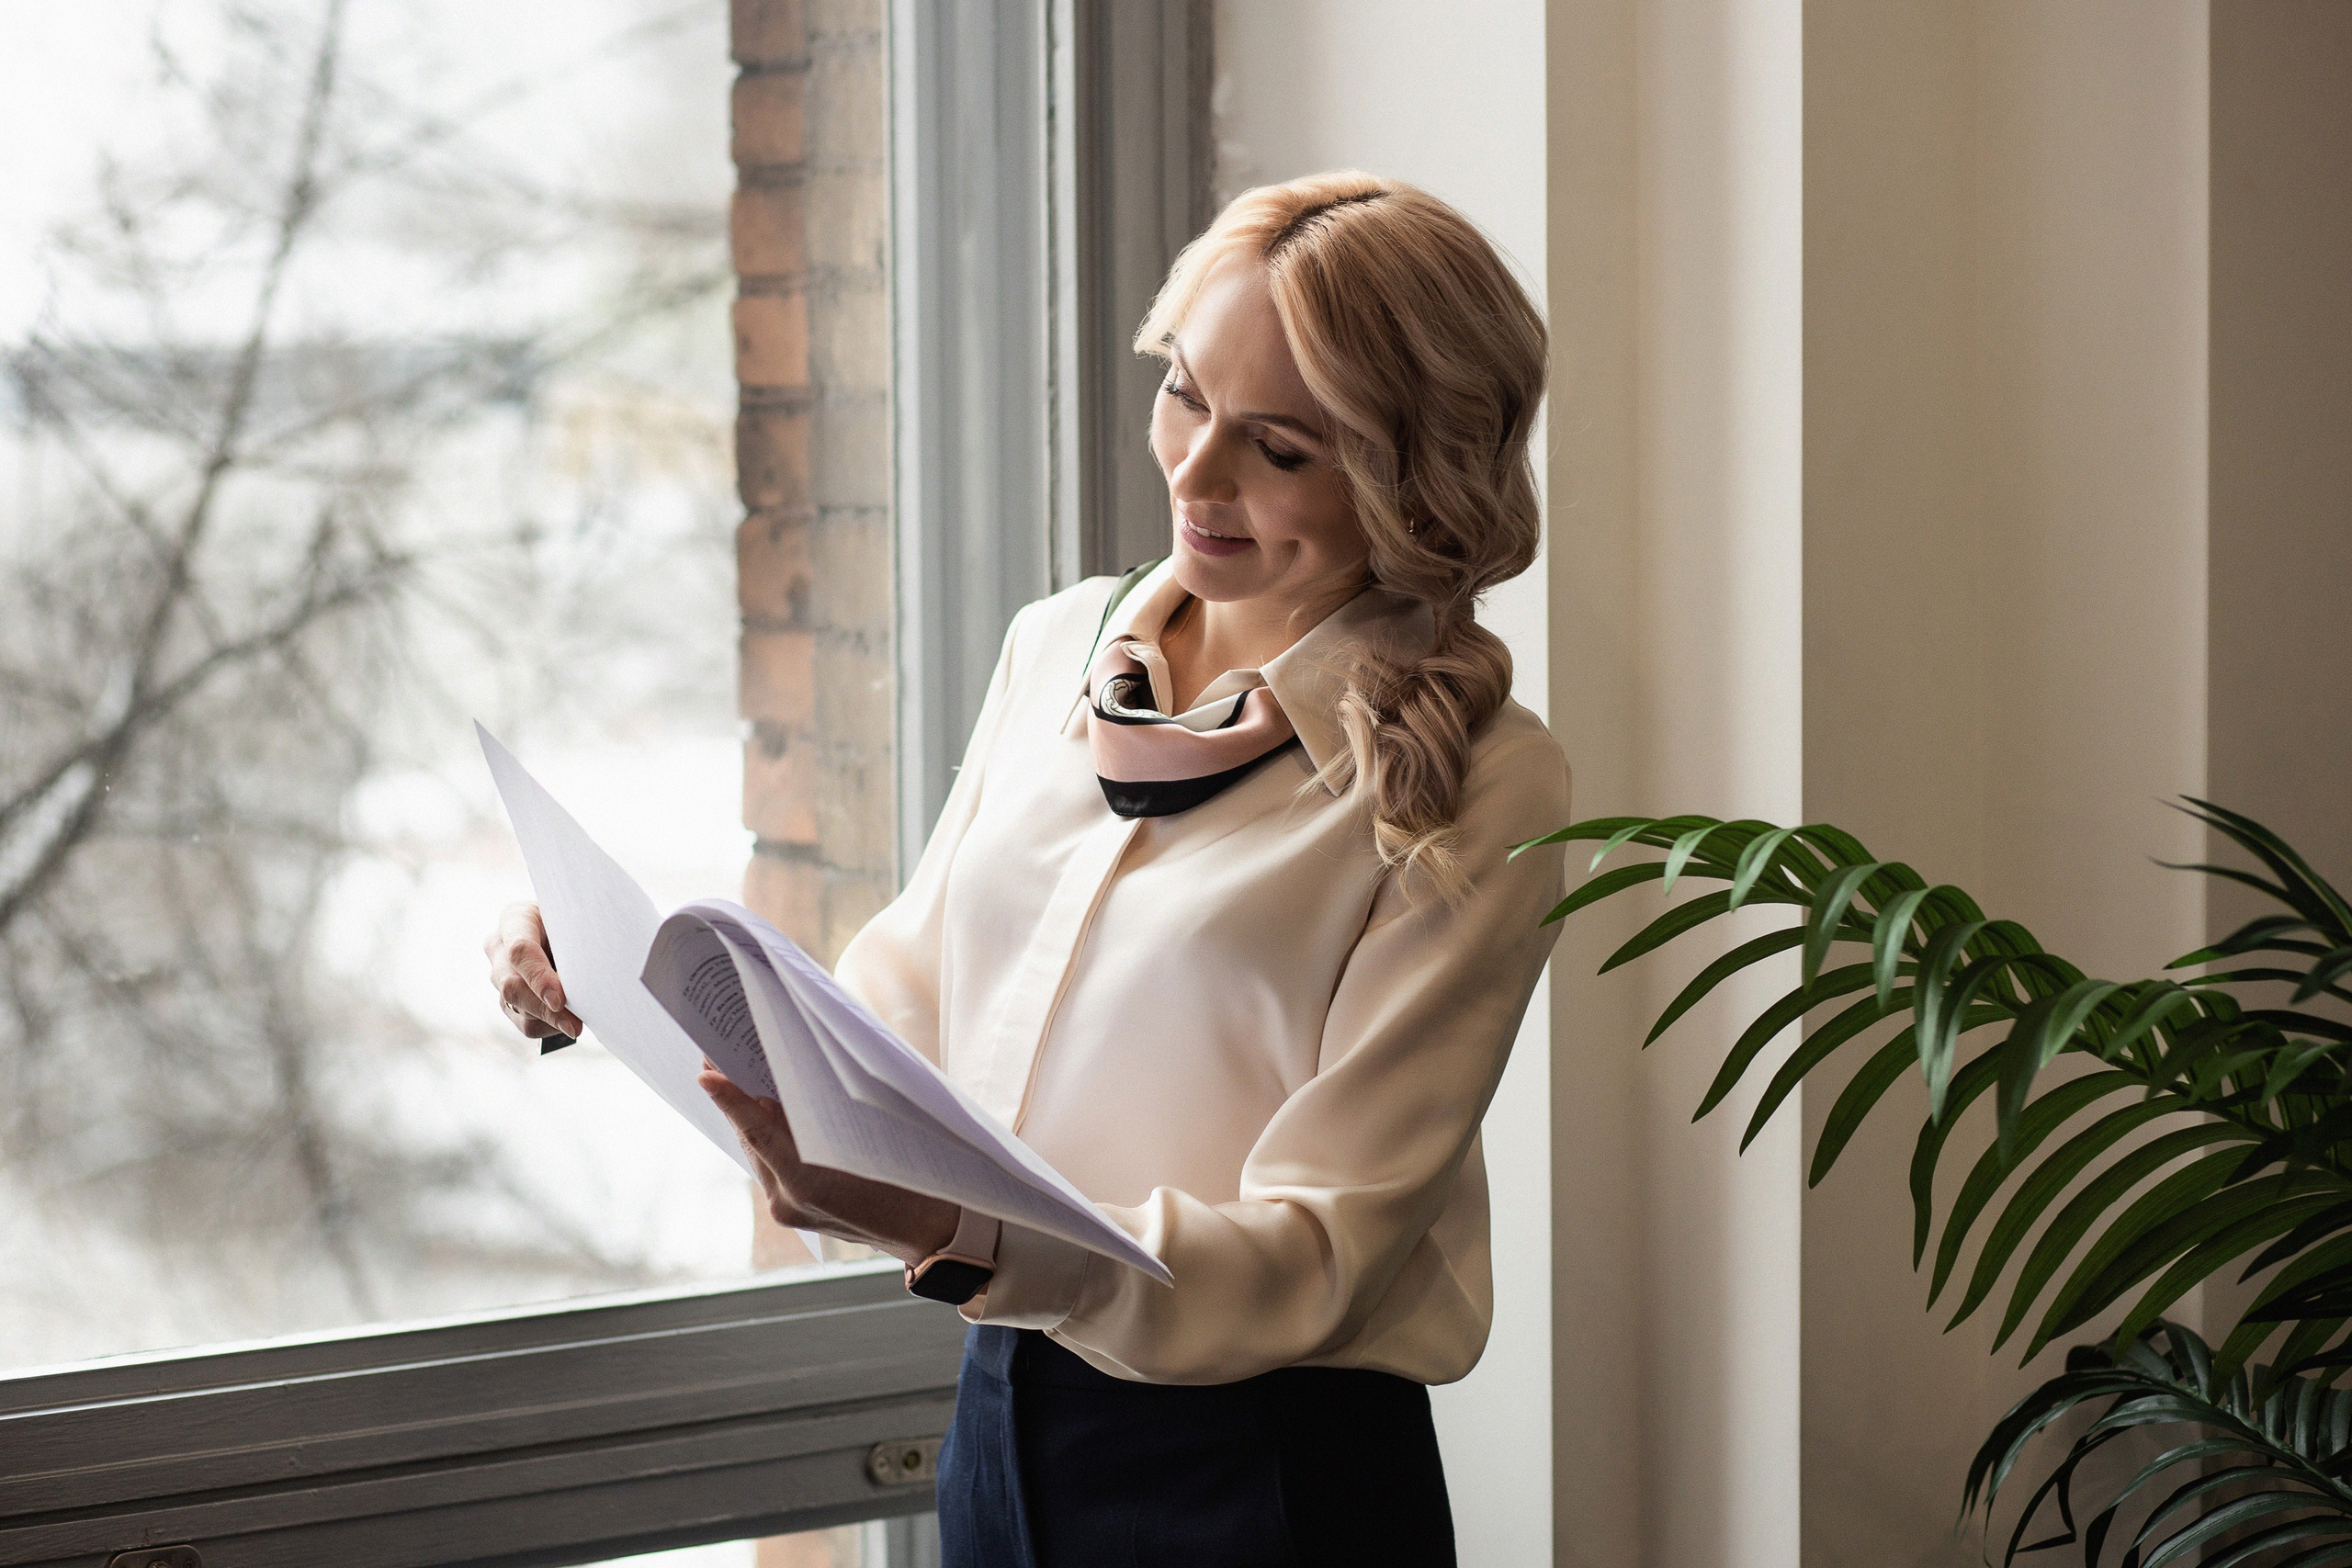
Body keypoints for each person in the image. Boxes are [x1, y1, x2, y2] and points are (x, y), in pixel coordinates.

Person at [487, 170, 1567, 1568]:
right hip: (998, 1424)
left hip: (1268, 1479)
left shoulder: (1484, 777)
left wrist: (963, 1232)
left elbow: (1322, 1251)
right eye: (1185, 393)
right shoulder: (1061, 646)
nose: (1194, 472)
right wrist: (623, 963)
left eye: (1281, 448)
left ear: (1412, 472)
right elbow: (907, 1009)